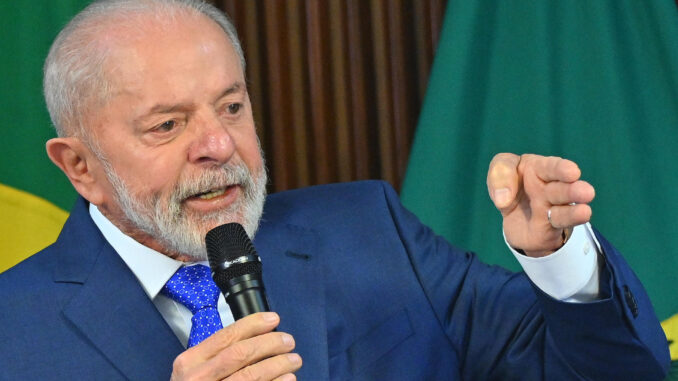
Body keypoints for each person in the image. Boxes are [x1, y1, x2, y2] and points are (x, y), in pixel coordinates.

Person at [0, 0, 669, 380]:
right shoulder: (13, 331)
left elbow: (615, 374)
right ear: (79, 166)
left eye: (231, 106)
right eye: (168, 124)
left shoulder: (369, 230)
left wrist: (560, 259)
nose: (219, 144)